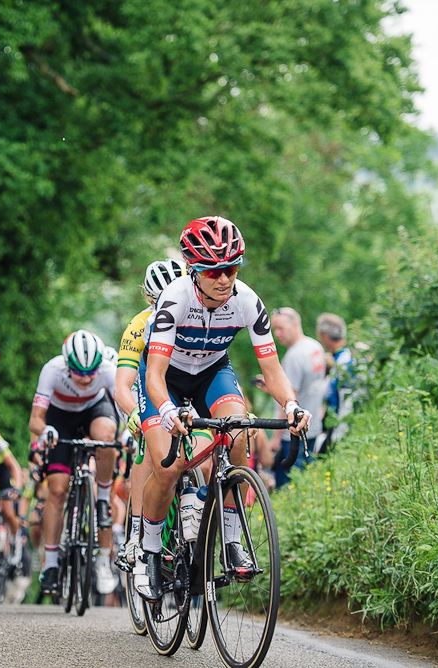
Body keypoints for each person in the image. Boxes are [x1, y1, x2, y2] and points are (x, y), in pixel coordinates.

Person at [135, 216, 310, 601]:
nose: (224, 278)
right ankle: (148, 552)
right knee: (168, 465)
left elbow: (272, 369)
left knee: (238, 431)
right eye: (213, 270)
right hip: (166, 377)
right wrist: (167, 411)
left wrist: (291, 405)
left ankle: (232, 541)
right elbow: (155, 375)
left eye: (231, 268)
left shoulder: (247, 301)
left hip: (212, 372)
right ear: (193, 270)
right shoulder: (174, 300)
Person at [31, 329, 120, 597]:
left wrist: (129, 432)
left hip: (95, 410)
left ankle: (101, 499)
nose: (85, 377)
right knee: (57, 490)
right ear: (66, 363)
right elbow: (35, 419)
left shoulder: (108, 370)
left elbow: (124, 408)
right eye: (79, 371)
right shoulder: (52, 370)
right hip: (60, 418)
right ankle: (51, 564)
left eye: (91, 371)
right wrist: (45, 430)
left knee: (107, 437)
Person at [112, 259, 182, 570]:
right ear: (148, 299)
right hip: (145, 386)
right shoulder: (139, 324)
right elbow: (122, 386)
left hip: (182, 385)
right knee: (149, 445)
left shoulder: (198, 316)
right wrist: (133, 414)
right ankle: (136, 531)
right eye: (159, 301)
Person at [265, 307, 327, 488]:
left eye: (281, 328)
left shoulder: (293, 357)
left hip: (292, 433)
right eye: (274, 329)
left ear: (294, 325)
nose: (277, 334)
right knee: (308, 482)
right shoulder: (315, 347)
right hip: (313, 426)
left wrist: (276, 438)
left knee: (288, 487)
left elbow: (290, 400)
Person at [315, 312, 356, 453]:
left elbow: (346, 399)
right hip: (335, 422)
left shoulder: (344, 361)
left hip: (339, 424)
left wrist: (339, 435)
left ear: (325, 336)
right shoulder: (341, 358)